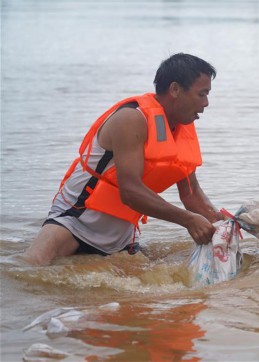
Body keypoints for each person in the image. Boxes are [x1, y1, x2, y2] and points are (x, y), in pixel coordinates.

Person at [23, 53, 225, 265]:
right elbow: (130, 191)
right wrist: (188, 220)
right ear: (175, 89)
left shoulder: (182, 127)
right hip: (74, 223)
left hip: (122, 240)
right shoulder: (131, 119)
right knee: (28, 270)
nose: (207, 103)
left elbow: (191, 195)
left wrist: (224, 222)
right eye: (202, 94)